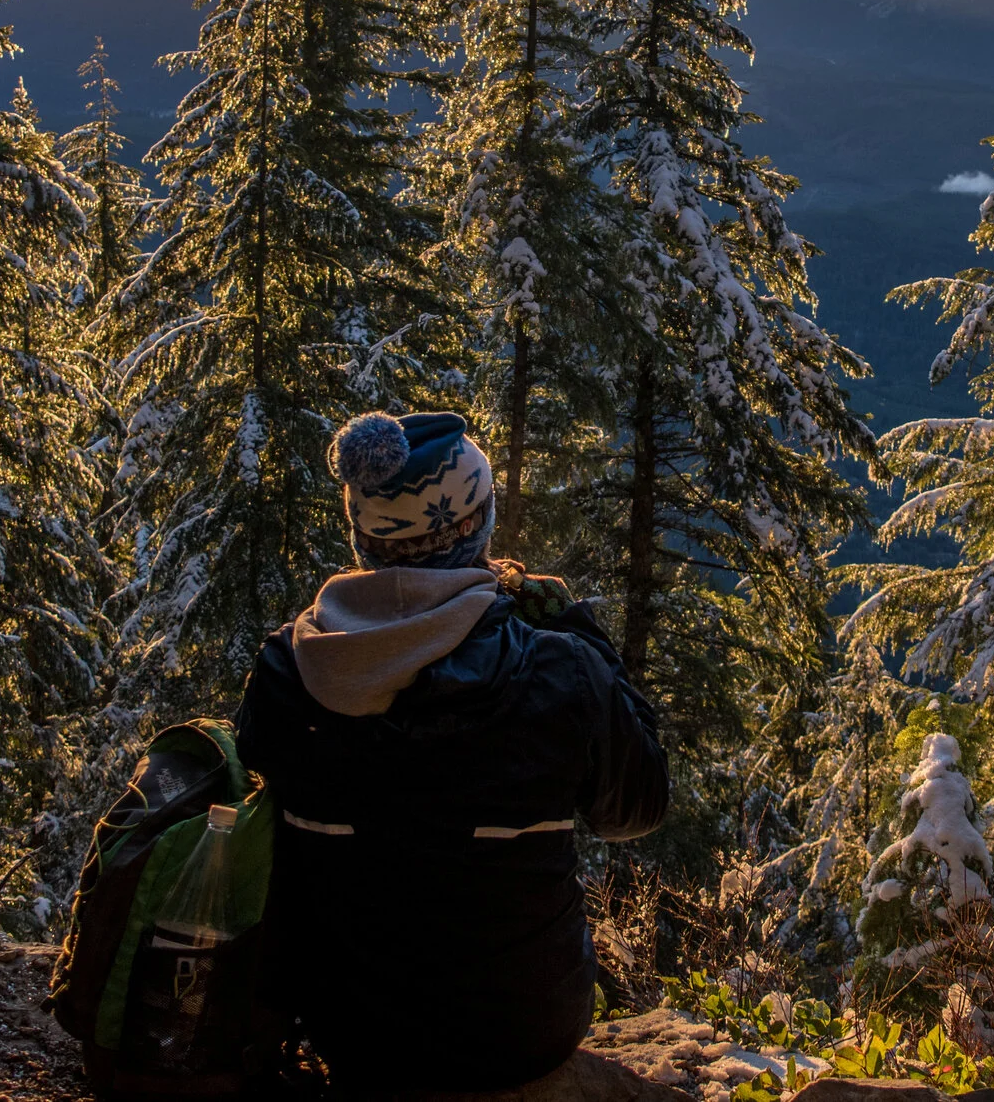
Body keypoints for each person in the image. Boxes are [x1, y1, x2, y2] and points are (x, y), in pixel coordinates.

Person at [234, 410, 668, 1092]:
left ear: (363, 538)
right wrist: (582, 630)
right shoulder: (560, 666)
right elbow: (636, 808)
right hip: (526, 1026)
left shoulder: (289, 670)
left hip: (349, 1030)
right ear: (480, 527)